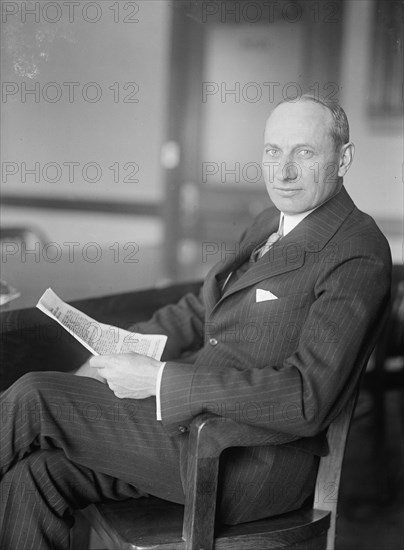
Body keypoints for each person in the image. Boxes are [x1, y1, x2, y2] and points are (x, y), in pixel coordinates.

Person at [0, 95, 392, 550]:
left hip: (242, 461)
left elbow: (307, 397)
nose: (282, 171)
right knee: (36, 475)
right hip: (190, 430)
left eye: (304, 153)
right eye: (272, 151)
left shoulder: (356, 250)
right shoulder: (272, 219)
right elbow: (204, 308)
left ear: (343, 159)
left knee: (34, 396)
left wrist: (160, 378)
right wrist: (121, 345)